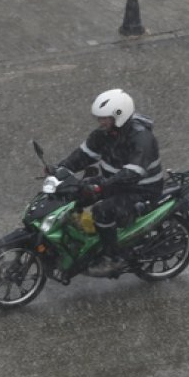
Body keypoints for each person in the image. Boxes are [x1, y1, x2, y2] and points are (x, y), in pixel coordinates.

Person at [55, 88, 164, 275]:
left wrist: (101, 186)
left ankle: (113, 257)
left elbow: (133, 173)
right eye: (99, 118)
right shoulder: (103, 134)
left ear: (119, 115)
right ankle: (80, 243)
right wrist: (60, 170)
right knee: (74, 192)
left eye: (105, 118)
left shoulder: (142, 138)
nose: (101, 122)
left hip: (142, 189)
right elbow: (83, 156)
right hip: (113, 183)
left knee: (102, 211)